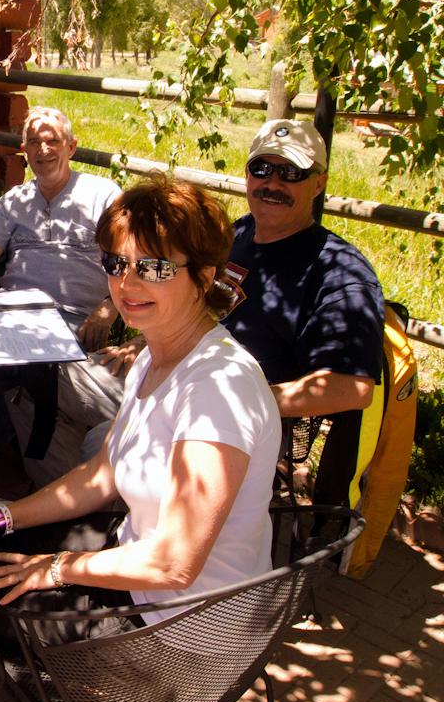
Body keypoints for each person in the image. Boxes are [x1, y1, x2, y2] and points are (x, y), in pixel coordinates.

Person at [0, 179, 280, 661]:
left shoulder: (216, 390)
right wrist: (3, 518)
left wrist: (57, 568)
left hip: (175, 630)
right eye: (116, 263)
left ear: (204, 276)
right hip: (140, 571)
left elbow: (173, 564)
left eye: (154, 267)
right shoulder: (154, 355)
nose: (127, 283)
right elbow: (104, 474)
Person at [94, 120, 386, 506]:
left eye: (291, 173)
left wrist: (244, 398)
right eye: (261, 169)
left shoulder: (338, 272)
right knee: (58, 375)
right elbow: (185, 297)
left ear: (319, 182)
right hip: (168, 371)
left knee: (100, 446)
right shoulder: (239, 235)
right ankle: (81, 522)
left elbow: (354, 388)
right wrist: (139, 340)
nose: (273, 183)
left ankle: (113, 533)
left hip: (230, 417)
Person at [0, 106, 124, 485]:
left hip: (72, 318)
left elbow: (130, 259)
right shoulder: (13, 200)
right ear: (24, 150)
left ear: (72, 147)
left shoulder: (103, 196)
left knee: (31, 371)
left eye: (52, 140)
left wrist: (110, 306)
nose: (43, 149)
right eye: (34, 141)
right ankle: (12, 428)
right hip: (12, 310)